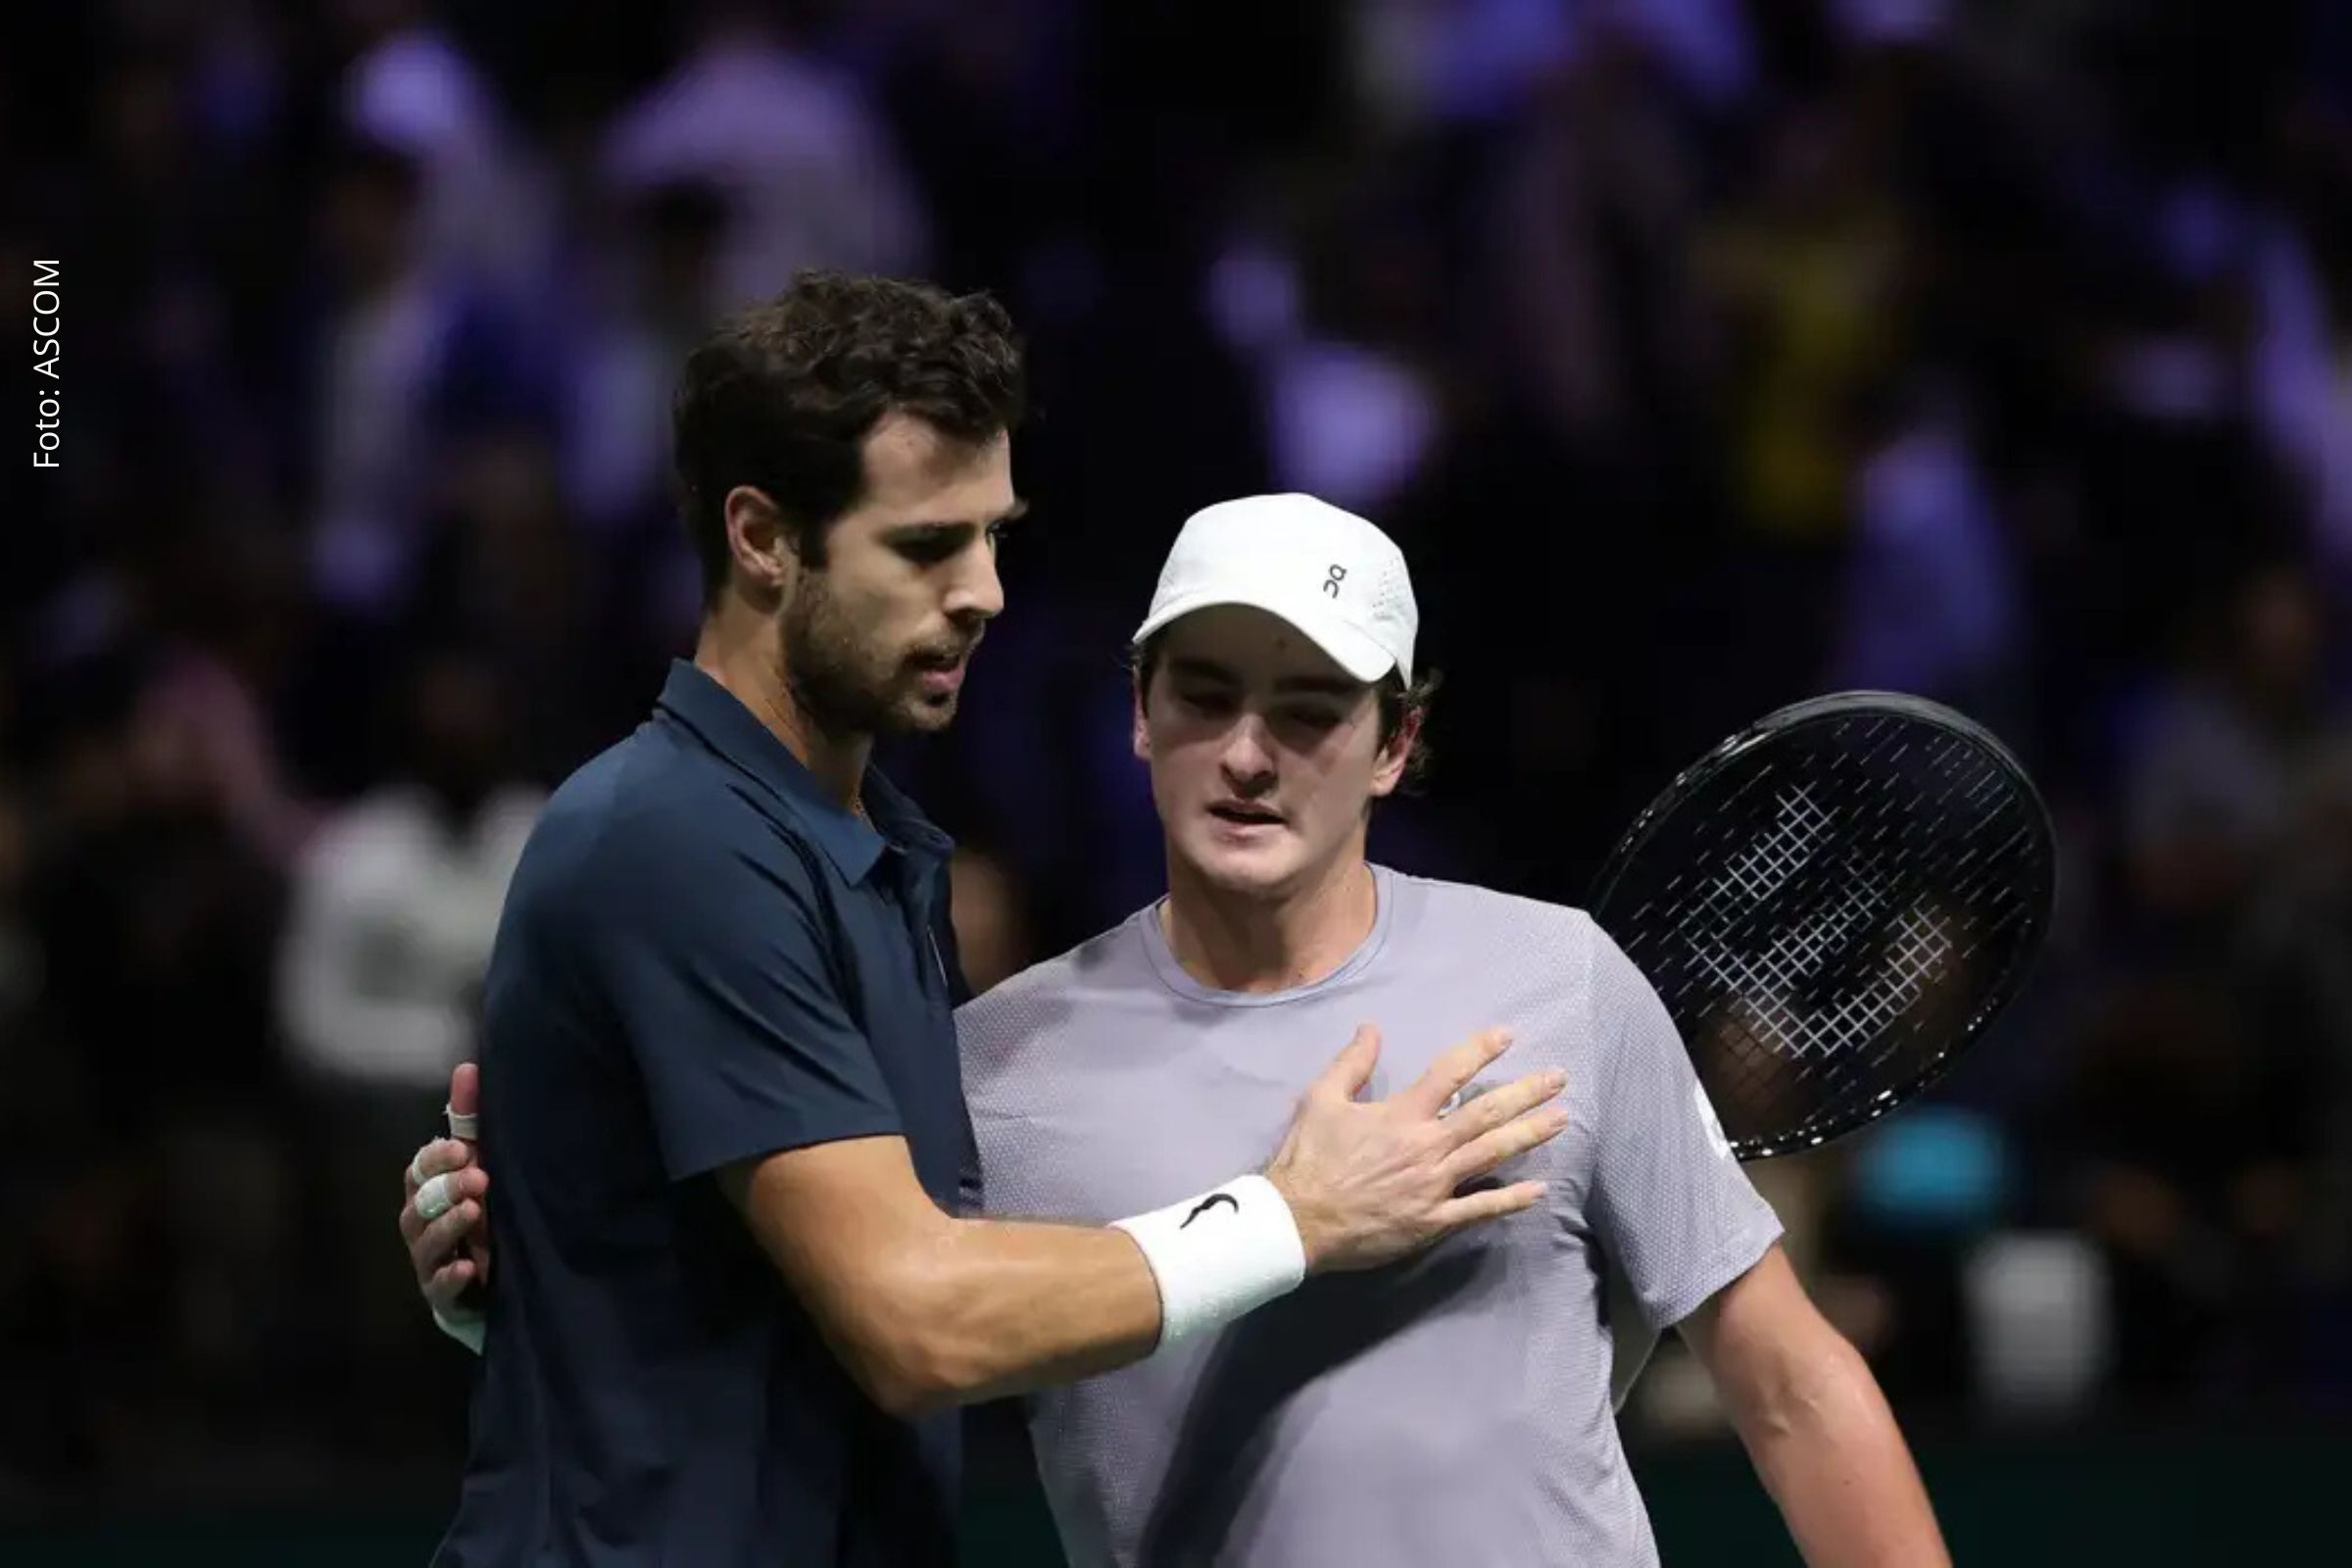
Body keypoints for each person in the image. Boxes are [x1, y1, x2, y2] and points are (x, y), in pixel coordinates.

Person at [412, 482, 1951, 1565]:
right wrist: (516, 1278)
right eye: (1204, 697)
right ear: (1137, 713)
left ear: (1398, 741)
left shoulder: (1560, 981)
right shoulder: (990, 1073)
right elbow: (795, 1334)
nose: (1248, 755)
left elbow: (1791, 1381)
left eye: (1310, 710)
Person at [407, 272, 1570, 1568]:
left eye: (995, 536)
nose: (985, 593)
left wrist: (546, 1276)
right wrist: (1292, 1219)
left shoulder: (863, 852)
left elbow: (876, 1270)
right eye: (924, 546)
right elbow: (920, 1319)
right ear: (761, 538)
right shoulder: (679, 841)